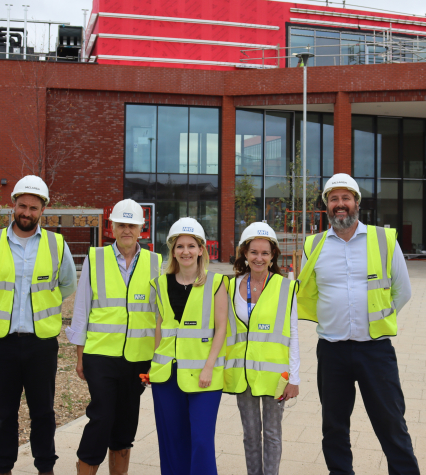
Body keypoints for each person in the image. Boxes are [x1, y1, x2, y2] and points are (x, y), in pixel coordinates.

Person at [297, 173, 419, 475]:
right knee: (334, 426)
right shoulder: (313, 246)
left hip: (375, 350)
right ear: (327, 206)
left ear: (356, 203)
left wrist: (378, 320)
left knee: (391, 423)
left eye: (345, 198)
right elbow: (304, 288)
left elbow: (403, 291)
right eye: (334, 199)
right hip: (332, 351)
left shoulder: (383, 239)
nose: (340, 204)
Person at [0, 175, 77, 475]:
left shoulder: (56, 244)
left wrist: (44, 305)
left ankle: (45, 467)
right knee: (4, 414)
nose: (27, 212)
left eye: (34, 207)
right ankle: (2, 468)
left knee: (43, 412)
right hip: (2, 343)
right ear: (12, 205)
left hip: (41, 343)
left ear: (43, 210)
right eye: (22, 206)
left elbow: (67, 284)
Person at [66, 199, 162, 475]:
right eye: (121, 224)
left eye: (132, 225)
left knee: (126, 420)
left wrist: (156, 360)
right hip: (100, 356)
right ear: (112, 227)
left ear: (142, 228)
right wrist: (80, 355)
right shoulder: (95, 258)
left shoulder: (156, 263)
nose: (127, 230)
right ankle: (86, 467)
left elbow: (159, 316)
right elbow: (82, 310)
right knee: (101, 416)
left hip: (139, 359)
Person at [149, 217, 228, 475]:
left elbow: (221, 330)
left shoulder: (216, 284)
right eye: (180, 246)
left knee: (202, 442)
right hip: (167, 376)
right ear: (172, 251)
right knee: (172, 441)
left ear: (201, 250)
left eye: (191, 246)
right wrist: (154, 366)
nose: (186, 251)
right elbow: (160, 327)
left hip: (204, 377)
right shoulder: (160, 284)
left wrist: (209, 367)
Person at [224, 222, 300, 475]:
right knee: (250, 435)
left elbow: (294, 337)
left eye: (265, 253)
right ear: (244, 254)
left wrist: (294, 378)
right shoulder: (229, 286)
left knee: (272, 434)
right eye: (253, 252)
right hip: (242, 375)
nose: (259, 258)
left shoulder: (286, 288)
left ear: (273, 256)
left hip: (276, 376)